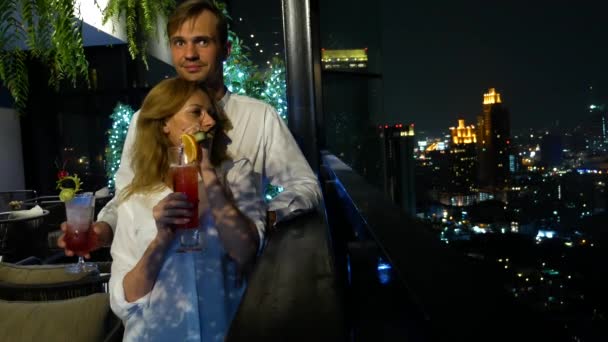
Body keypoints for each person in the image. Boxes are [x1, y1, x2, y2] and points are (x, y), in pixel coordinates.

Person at [57, 0, 322, 257]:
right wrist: (102, 230)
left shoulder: (259, 116)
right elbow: (127, 195)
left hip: (235, 280)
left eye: (202, 41)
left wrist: (266, 215)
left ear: (226, 49)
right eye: (179, 42)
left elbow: (306, 186)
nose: (190, 54)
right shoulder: (146, 119)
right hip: (166, 283)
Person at [109, 77, 265, 340]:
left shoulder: (236, 176)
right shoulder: (135, 196)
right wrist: (161, 239)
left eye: (211, 114)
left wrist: (207, 172)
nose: (209, 122)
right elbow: (125, 300)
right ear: (164, 125)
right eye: (196, 112)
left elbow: (246, 252)